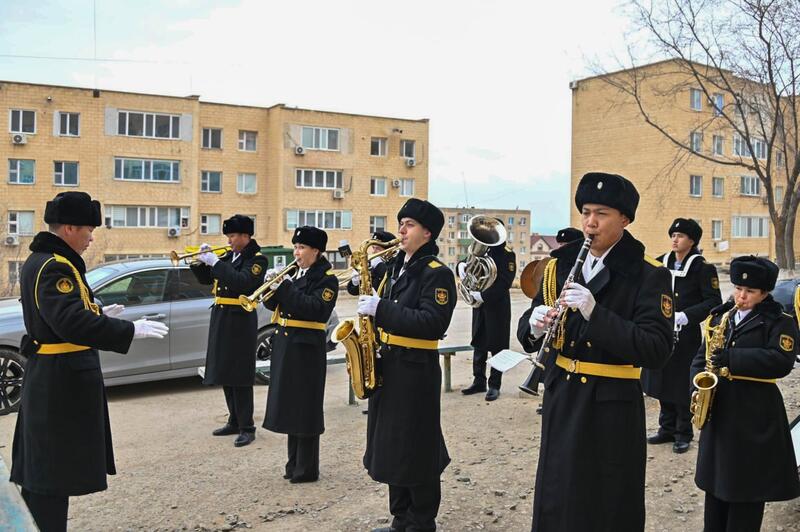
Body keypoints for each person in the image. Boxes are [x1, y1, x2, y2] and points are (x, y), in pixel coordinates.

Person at [517, 172, 673, 531]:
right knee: (558, 494)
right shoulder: (559, 264)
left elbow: (657, 349)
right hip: (562, 395)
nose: (590, 222)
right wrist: (533, 324)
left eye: (602, 213)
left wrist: (595, 313)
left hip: (611, 404)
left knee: (607, 499)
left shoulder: (649, 274)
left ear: (624, 219)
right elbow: (530, 325)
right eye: (586, 211)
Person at [10, 191, 168, 532]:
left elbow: (58, 315)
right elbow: (68, 322)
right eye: (87, 229)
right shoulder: (55, 266)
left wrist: (96, 311)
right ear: (68, 228)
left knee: (48, 472)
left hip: (52, 377)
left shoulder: (43, 260)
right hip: (59, 383)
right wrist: (127, 330)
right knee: (49, 476)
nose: (91, 237)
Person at [358, 198, 456, 532]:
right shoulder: (395, 268)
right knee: (391, 446)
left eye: (410, 224)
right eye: (401, 223)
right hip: (390, 366)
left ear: (428, 233)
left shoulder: (437, 274)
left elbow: (432, 322)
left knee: (416, 447)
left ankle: (421, 521)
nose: (401, 229)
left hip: (416, 370)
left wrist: (380, 309)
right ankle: (401, 518)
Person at [692, 256, 800, 532]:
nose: (741, 296)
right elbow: (700, 357)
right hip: (720, 411)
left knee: (747, 487)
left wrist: (732, 357)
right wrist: (696, 384)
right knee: (716, 483)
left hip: (755, 414)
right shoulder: (720, 316)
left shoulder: (780, 320)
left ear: (764, 293)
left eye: (750, 292)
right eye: (738, 289)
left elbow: (781, 360)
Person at [262, 226, 338, 483]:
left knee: (305, 408)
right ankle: (292, 463)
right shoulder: (294, 273)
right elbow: (274, 304)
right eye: (295, 247)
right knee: (290, 406)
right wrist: (270, 287)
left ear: (316, 251)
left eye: (302, 248)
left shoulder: (327, 278)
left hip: (306, 348)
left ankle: (306, 469)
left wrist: (285, 288)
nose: (297, 253)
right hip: (287, 344)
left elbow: (314, 309)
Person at [641, 218, 721, 453]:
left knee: (681, 382)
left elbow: (713, 301)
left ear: (692, 241)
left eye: (681, 236)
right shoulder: (660, 263)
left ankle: (683, 432)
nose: (675, 240)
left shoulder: (702, 268)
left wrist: (686, 315)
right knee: (660, 377)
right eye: (673, 235)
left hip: (686, 335)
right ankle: (666, 428)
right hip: (661, 330)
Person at [190, 214, 268, 447]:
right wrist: (199, 261)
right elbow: (206, 280)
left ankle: (247, 426)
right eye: (228, 236)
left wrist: (216, 263)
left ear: (246, 236)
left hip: (241, 318)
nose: (230, 240)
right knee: (225, 368)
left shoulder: (257, 259)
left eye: (233, 235)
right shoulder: (228, 256)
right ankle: (234, 419)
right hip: (222, 315)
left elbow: (242, 282)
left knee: (241, 373)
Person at [459, 220, 516, 401]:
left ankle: (494, 385)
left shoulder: (507, 255)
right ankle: (478, 381)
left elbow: (504, 282)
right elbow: (468, 263)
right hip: (480, 306)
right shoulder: (483, 252)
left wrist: (483, 296)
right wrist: (460, 266)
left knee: (497, 347)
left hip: (497, 307)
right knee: (478, 343)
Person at [346, 230, 397, 296]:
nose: (374, 252)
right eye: (373, 248)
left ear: (389, 250)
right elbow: (354, 292)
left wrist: (379, 265)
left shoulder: (395, 264)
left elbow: (391, 278)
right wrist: (355, 282)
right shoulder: (373, 267)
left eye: (378, 248)